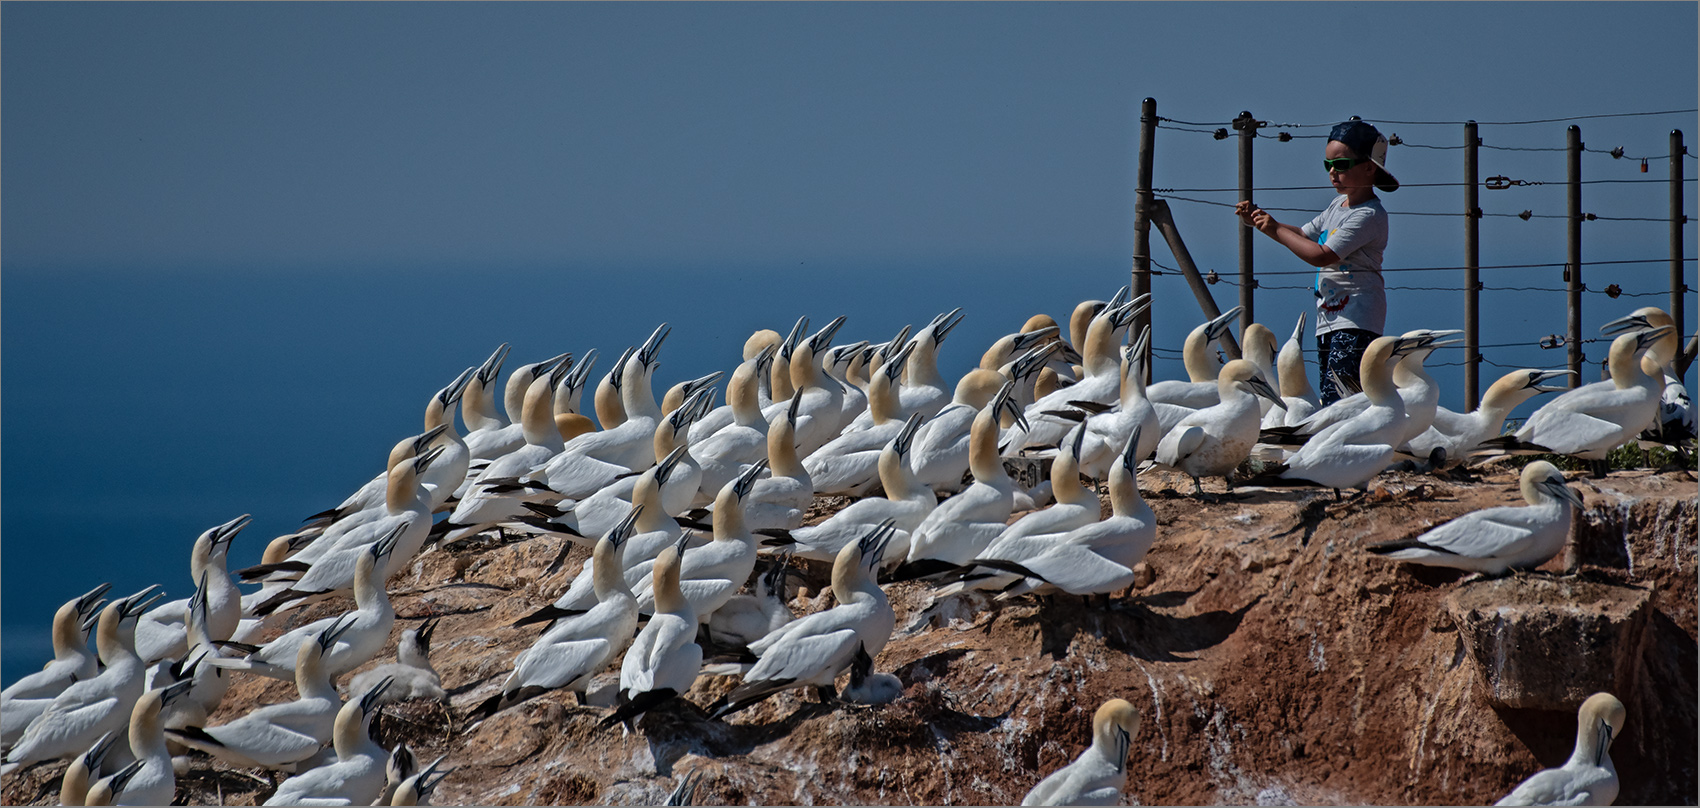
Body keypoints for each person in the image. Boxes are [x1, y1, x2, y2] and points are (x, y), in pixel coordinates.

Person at [1236, 119, 1399, 406]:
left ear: (1369, 167)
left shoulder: (1369, 215)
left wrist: (1273, 228)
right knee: (1331, 394)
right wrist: (1262, 222)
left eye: (1341, 164)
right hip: (1330, 320)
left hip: (1356, 319)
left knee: (1342, 398)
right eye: (1328, 166)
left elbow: (1321, 254)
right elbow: (1301, 234)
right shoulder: (1338, 205)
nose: (1333, 173)